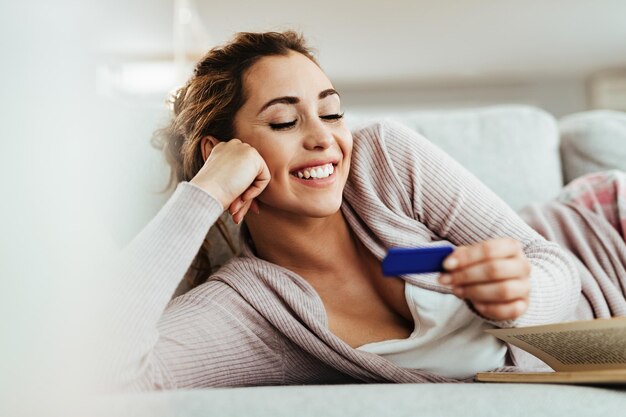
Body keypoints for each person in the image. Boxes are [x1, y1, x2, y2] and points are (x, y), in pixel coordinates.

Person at [106, 31, 626, 391]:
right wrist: (207, 191)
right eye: (285, 122)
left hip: (605, 230)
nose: (324, 139)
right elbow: (100, 372)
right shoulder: (250, 310)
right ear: (222, 151)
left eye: (331, 112)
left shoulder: (383, 160)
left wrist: (522, 295)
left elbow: (553, 261)